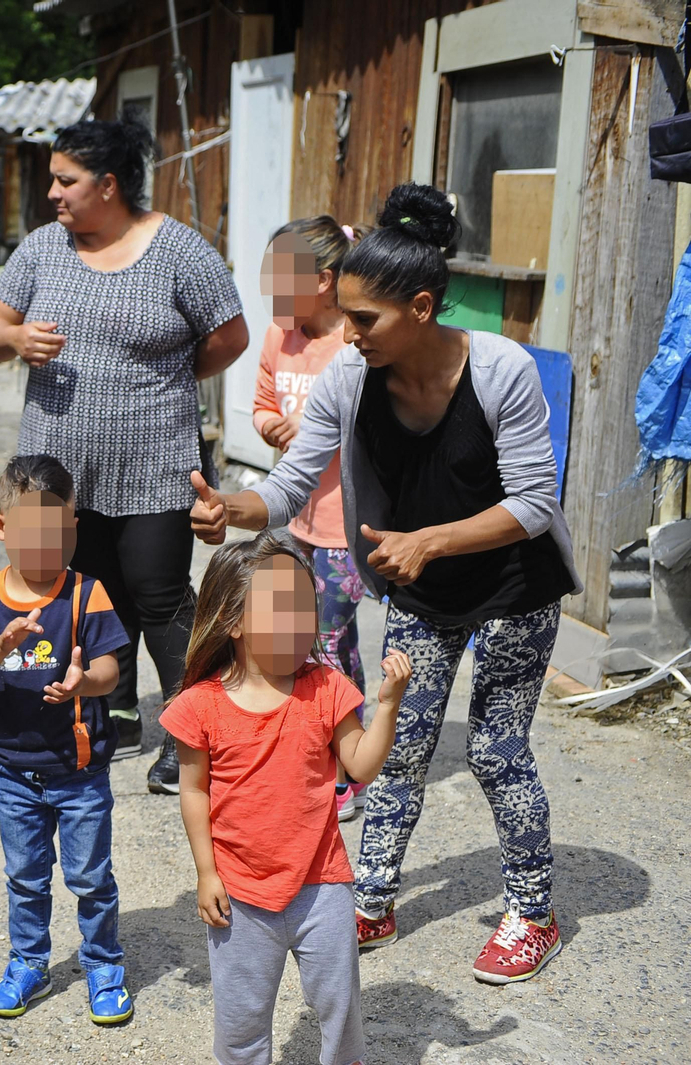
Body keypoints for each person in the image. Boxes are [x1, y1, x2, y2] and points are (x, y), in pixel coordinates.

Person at [189, 182, 581, 985]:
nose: (350, 333)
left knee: (496, 750)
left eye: (366, 319)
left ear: (425, 307)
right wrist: (238, 506)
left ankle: (532, 911)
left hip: (515, 586)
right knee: (395, 744)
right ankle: (370, 896)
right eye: (348, 315)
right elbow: (294, 482)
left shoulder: (501, 370)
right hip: (420, 590)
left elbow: (536, 503)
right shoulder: (348, 379)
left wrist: (430, 540)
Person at [0, 116, 249, 789]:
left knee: (159, 597)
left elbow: (229, 337)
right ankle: (107, 713)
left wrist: (162, 380)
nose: (53, 194)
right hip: (60, 466)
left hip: (156, 460)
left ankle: (192, 733)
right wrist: (16, 341)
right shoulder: (41, 249)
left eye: (66, 181)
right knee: (86, 592)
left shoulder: (182, 252)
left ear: (110, 184)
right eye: (52, 180)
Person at [161, 533, 412, 1065]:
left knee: (339, 1005)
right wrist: (206, 872)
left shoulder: (326, 686)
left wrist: (387, 705)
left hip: (323, 885)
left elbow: (361, 765)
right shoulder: (199, 707)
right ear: (234, 622)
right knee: (241, 1018)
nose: (300, 620)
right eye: (281, 608)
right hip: (240, 893)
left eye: (305, 605)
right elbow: (193, 790)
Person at [0, 455, 135, 1026]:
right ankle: (28, 963)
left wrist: (88, 682)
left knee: (88, 875)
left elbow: (109, 669)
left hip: (80, 771)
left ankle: (104, 965)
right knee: (25, 876)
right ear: (1, 527)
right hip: (15, 773)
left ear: (74, 526)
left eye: (59, 532)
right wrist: (1, 644)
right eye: (32, 533)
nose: (46, 546)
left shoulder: (87, 592)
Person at [253, 215, 369, 820]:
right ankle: (319, 746)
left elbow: (373, 429)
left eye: (282, 276)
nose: (271, 288)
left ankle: (350, 758)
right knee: (297, 638)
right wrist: (271, 425)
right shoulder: (281, 336)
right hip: (294, 521)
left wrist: (317, 431)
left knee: (331, 640)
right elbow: (263, 402)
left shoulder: (355, 342)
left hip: (343, 526)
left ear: (324, 280)